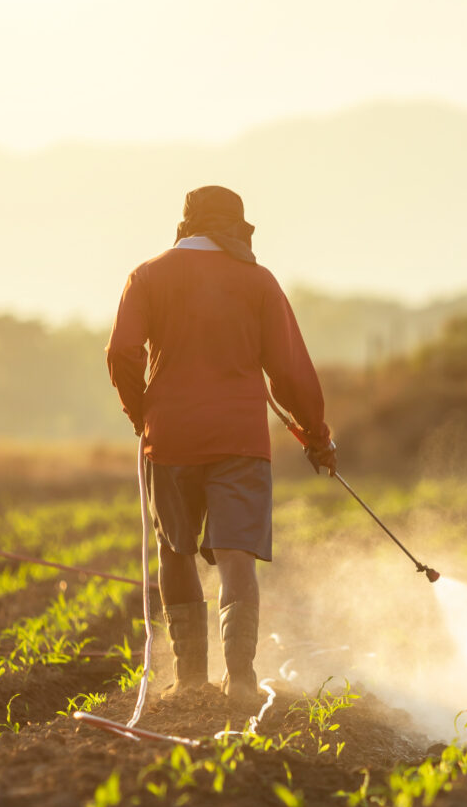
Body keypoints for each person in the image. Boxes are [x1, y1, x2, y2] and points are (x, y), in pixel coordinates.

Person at [106, 185, 336, 706]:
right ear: (236, 227)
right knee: (237, 562)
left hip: (169, 438)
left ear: (186, 224)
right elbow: (291, 372)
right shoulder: (258, 282)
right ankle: (241, 681)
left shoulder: (146, 275)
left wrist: (141, 413)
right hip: (240, 439)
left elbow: (122, 351)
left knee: (175, 550)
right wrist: (317, 437)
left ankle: (189, 680)